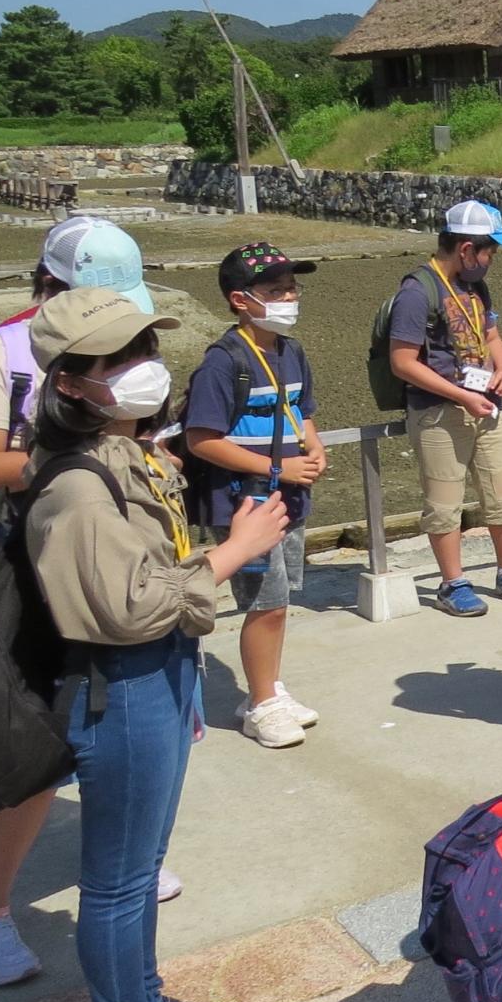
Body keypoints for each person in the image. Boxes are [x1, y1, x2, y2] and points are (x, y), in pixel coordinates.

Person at [25, 288, 291, 1002]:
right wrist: (235, 550)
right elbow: (129, 606)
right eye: (121, 359)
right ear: (71, 381)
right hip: (123, 682)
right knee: (116, 876)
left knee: (140, 863)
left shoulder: (124, 452)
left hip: (156, 673)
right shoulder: (75, 483)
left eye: (146, 349)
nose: (145, 369)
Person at [0, 218, 187, 988]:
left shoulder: (120, 360)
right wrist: (73, 459)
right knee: (30, 750)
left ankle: (122, 867)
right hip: (29, 571)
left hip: (105, 563)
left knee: (116, 721)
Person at [183, 242, 325, 750]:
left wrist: (313, 445)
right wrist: (275, 466)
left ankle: (269, 688)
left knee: (280, 600)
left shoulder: (291, 351)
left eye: (292, 288)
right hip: (247, 503)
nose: (289, 297)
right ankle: (261, 704)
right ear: (241, 300)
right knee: (265, 601)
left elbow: (300, 409)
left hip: (288, 496)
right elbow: (202, 439)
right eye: (275, 290)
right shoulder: (224, 362)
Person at [388, 200, 502, 616]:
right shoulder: (417, 291)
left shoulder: (475, 287)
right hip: (438, 413)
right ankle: (452, 582)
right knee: (444, 501)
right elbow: (403, 362)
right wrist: (461, 394)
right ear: (467, 249)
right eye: (490, 251)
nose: (492, 260)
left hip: (485, 407)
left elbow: (491, 336)